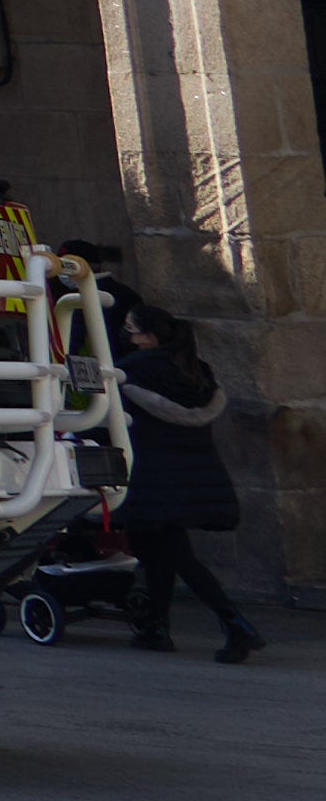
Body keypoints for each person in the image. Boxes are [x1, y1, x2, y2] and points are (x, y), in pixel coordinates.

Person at [104, 264, 271, 663]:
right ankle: (156, 627)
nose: (125, 334)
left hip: (150, 475)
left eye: (130, 328)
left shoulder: (129, 373)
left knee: (175, 555)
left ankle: (235, 623)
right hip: (194, 474)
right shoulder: (198, 372)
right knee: (160, 551)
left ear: (147, 337)